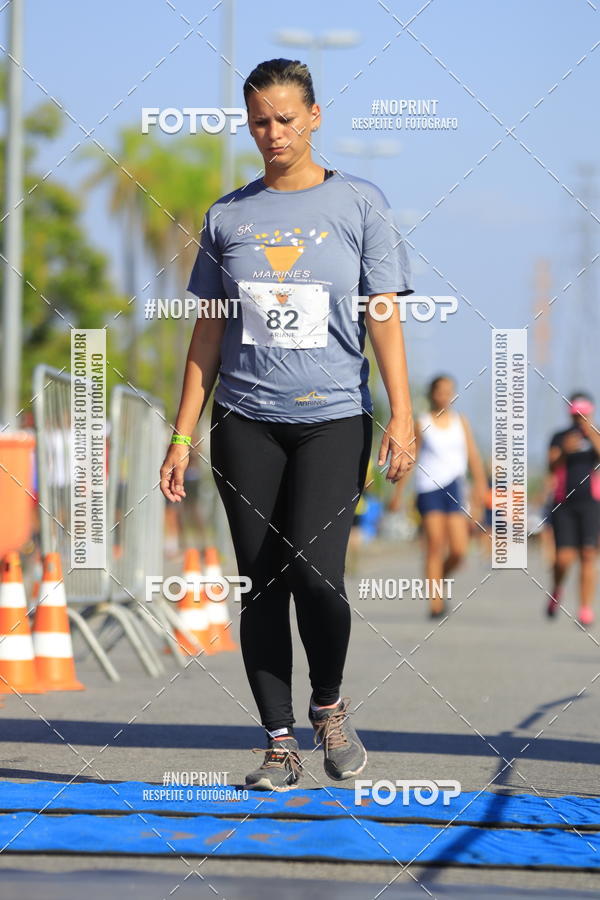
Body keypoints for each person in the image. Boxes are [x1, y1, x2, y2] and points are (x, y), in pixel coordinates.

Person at [159, 58, 415, 792]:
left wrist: (402, 415)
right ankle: (278, 743)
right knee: (262, 583)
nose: (272, 133)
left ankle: (328, 703)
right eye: (259, 121)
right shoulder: (228, 217)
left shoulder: (360, 204)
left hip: (333, 418)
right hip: (245, 422)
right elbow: (207, 334)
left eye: (285, 119)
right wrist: (182, 435)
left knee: (315, 572)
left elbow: (385, 314)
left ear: (314, 117)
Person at [389, 375, 487, 618]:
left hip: (454, 488)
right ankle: (435, 602)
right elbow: (409, 458)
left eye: (449, 391)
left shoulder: (460, 422)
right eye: (441, 391)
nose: (445, 396)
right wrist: (398, 493)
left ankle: (437, 580)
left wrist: (481, 488)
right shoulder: (422, 422)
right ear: (432, 394)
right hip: (428, 488)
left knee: (458, 550)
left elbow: (473, 457)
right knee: (434, 545)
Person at [546, 392, 600, 626]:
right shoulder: (559, 437)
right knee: (563, 559)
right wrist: (566, 450)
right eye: (576, 415)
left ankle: (585, 607)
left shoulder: (595, 434)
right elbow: (551, 465)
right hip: (564, 503)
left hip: (591, 504)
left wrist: (591, 434)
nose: (579, 419)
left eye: (583, 414)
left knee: (588, 555)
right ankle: (557, 588)